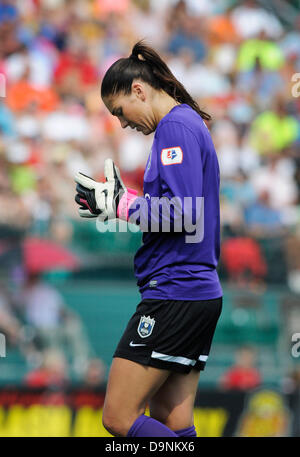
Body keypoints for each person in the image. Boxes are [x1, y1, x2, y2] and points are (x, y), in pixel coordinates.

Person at [74, 40, 223, 438]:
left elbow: (185, 213)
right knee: (171, 424)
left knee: (118, 418)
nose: (123, 123)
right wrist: (121, 203)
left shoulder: (174, 127)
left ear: (139, 90)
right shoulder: (186, 124)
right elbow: (180, 209)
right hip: (196, 291)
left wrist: (121, 204)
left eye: (120, 112)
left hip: (175, 291)